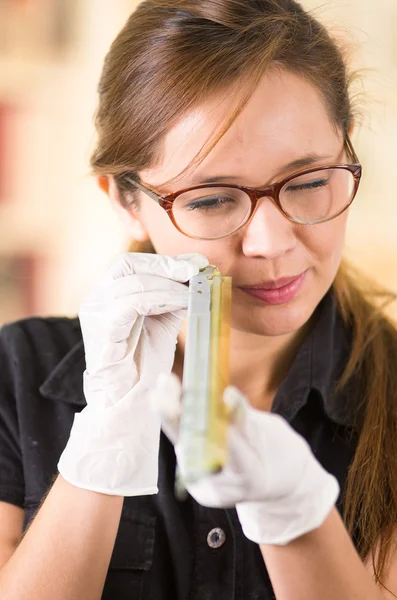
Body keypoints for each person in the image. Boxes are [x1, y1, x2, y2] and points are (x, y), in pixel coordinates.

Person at [1, 0, 397, 598]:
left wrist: (300, 522)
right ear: (123, 198)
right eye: (212, 200)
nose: (270, 243)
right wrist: (100, 455)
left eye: (311, 182)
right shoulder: (16, 373)